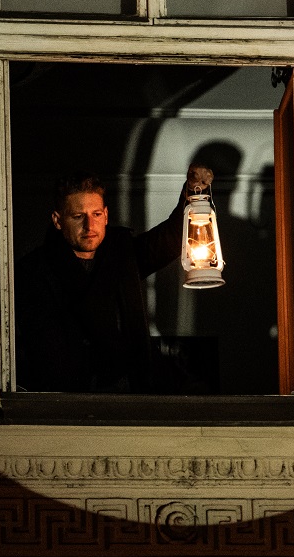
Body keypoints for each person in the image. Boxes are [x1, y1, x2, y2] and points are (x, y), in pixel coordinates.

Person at [14, 164, 213, 393]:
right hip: (67, 401)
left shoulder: (122, 253)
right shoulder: (33, 271)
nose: (89, 225)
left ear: (106, 215)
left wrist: (194, 191)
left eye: (96, 214)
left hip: (130, 393)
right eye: (78, 216)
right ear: (58, 220)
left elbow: (171, 237)